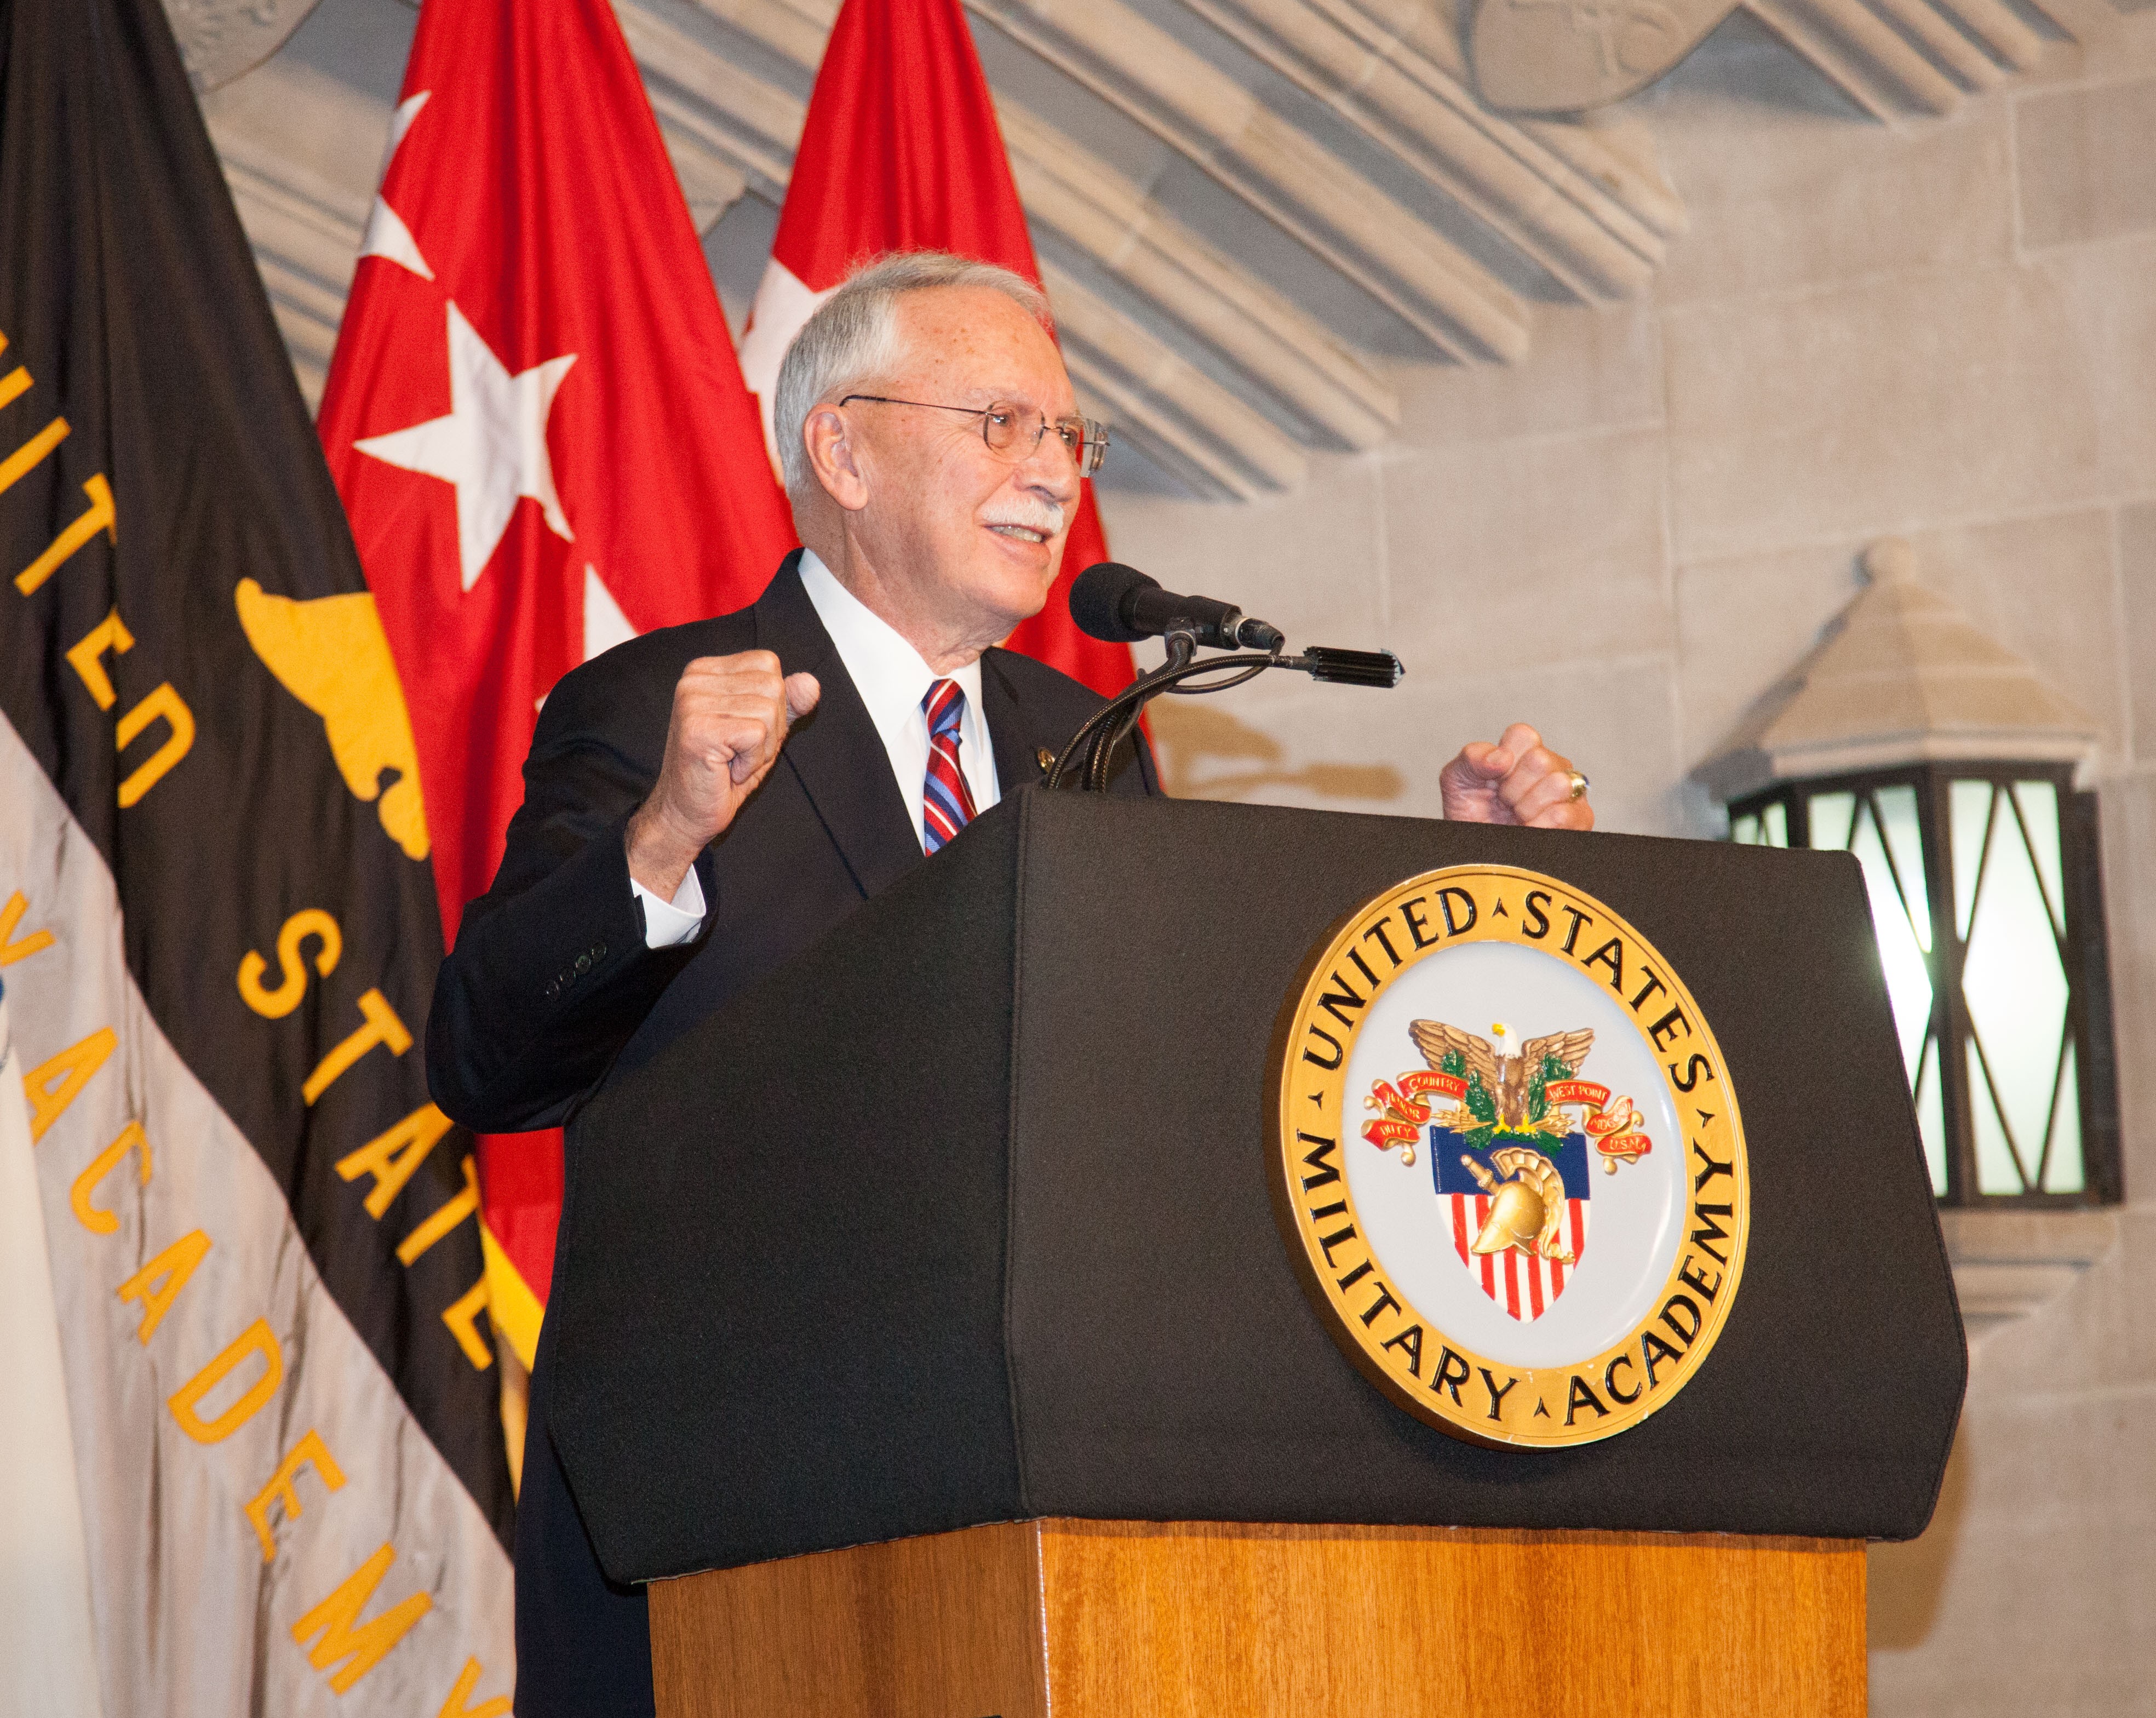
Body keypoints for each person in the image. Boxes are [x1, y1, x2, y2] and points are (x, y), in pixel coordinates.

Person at [425, 250, 1595, 1718]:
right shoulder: (654, 710)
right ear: (840, 448)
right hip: (729, 1529)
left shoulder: (1086, 733)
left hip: (1046, 1520)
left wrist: (1456, 900)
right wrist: (664, 836)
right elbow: (484, 1056)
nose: (1052, 474)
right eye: (1000, 425)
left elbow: (1199, 1081)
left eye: (1067, 436)